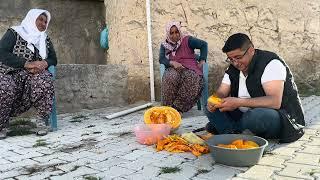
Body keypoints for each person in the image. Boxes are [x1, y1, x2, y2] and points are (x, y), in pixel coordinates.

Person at [206, 33, 305, 143]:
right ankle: (235, 134)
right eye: (230, 59)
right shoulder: (233, 68)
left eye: (238, 57)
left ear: (251, 50)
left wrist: (238, 102)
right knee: (209, 107)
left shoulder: (271, 63)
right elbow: (222, 91)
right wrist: (214, 100)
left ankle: (228, 129)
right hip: (243, 115)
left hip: (281, 117)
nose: (235, 63)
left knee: (256, 116)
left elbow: (274, 101)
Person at [0, 9, 57, 138]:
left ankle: (42, 121)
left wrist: (44, 64)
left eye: (46, 21)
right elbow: (2, 52)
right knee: (3, 86)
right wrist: (26, 64)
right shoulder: (14, 33)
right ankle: (1, 125)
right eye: (40, 20)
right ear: (31, 19)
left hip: (32, 77)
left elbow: (53, 58)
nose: (43, 23)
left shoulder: (45, 39)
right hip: (9, 73)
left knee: (45, 79)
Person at [159, 21, 208, 113]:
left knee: (193, 78)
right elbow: (161, 59)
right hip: (174, 68)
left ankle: (177, 109)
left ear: (179, 32)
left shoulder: (188, 40)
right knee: (170, 77)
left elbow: (203, 45)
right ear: (168, 34)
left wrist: (202, 59)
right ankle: (167, 109)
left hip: (190, 68)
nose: (175, 35)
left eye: (176, 32)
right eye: (171, 33)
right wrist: (172, 63)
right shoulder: (164, 45)